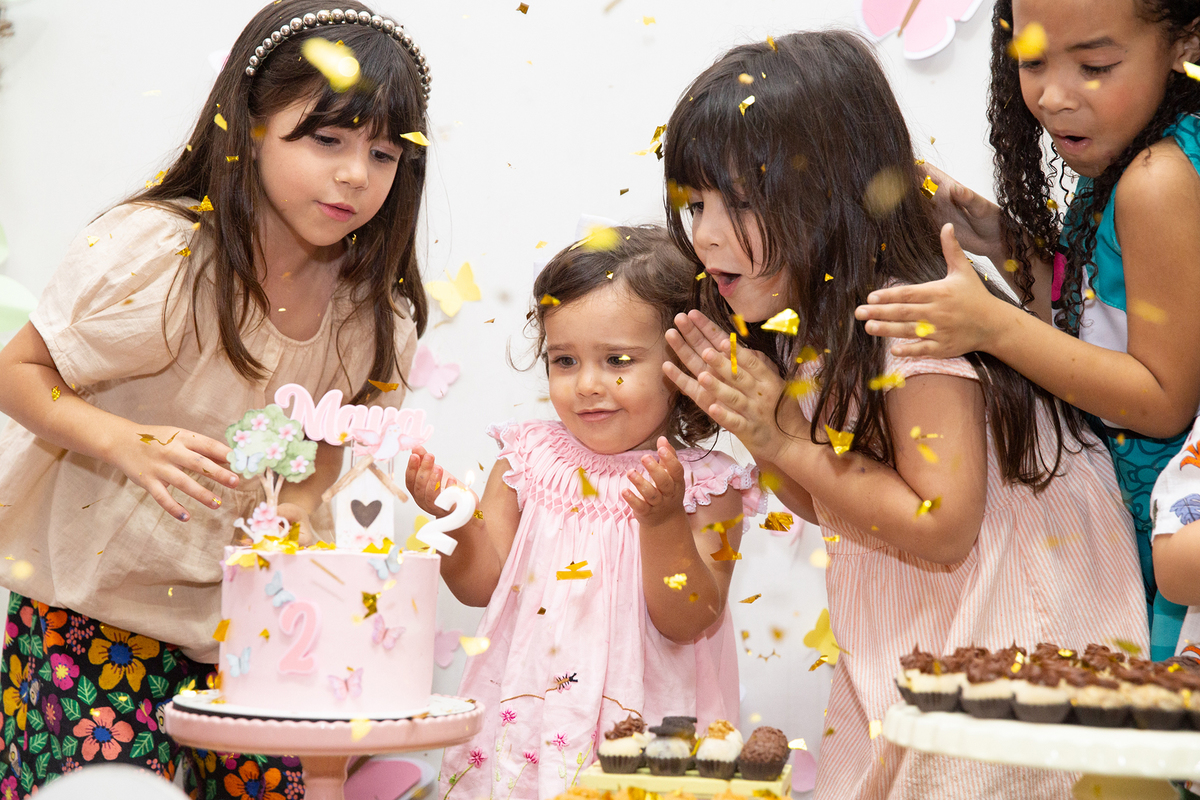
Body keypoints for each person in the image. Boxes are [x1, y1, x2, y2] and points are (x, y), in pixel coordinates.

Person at [660, 30, 1147, 799]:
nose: (708, 234)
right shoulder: (809, 332)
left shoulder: (911, 324)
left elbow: (939, 523)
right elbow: (830, 504)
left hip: (1009, 666)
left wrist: (779, 433)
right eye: (695, 204)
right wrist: (761, 432)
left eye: (743, 203)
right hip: (911, 653)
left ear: (832, 192)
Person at [0, 1, 430, 793]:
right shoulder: (160, 252)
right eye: (327, 139)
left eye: (383, 153)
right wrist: (125, 442)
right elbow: (18, 373)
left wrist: (299, 507)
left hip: (258, 642)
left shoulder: (371, 310)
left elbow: (330, 441)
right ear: (252, 125)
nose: (355, 174)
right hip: (96, 623)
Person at [853, 0, 1200, 660]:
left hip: (1174, 562)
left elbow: (1160, 400)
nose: (1054, 96)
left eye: (1095, 65)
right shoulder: (1146, 156)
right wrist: (999, 241)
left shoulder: (1156, 182)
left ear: (1185, 39)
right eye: (1032, 61)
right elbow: (1102, 316)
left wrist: (994, 327)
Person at [405, 226, 763, 800]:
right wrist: (453, 520)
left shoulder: (705, 485)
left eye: (617, 359)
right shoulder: (527, 459)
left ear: (682, 367)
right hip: (529, 721)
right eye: (564, 360)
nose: (587, 385)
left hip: (645, 727)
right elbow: (480, 587)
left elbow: (689, 618)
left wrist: (663, 519)